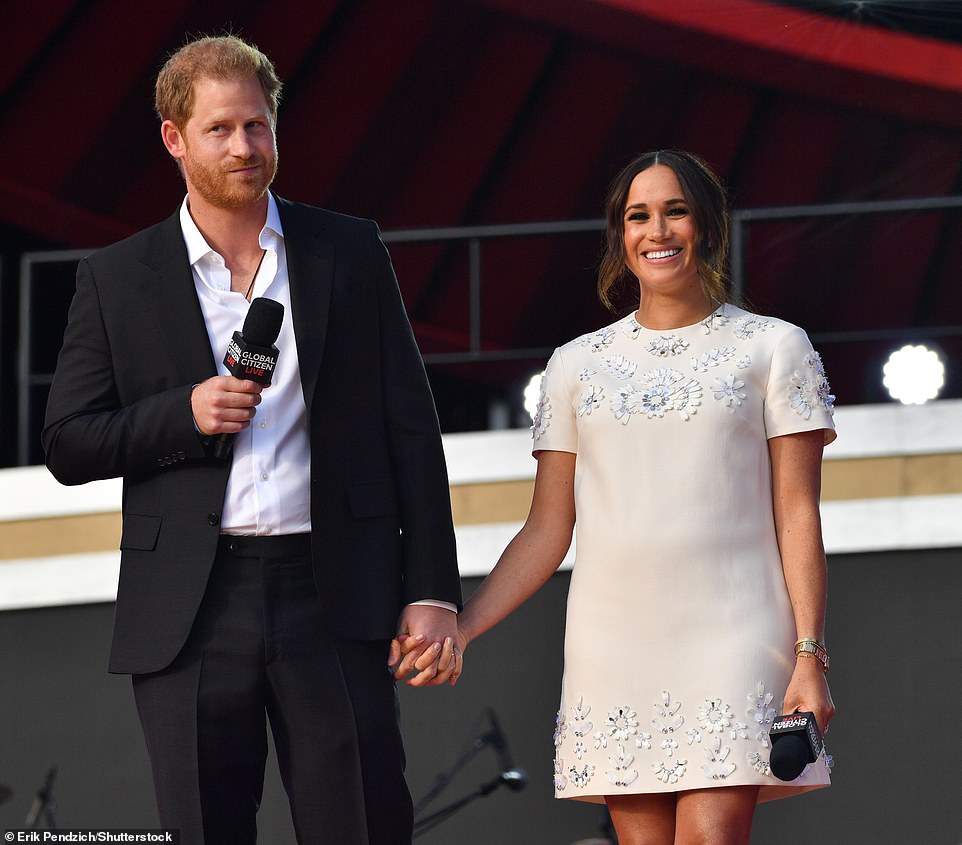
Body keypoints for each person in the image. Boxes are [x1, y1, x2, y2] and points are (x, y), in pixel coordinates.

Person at [42, 35, 461, 845]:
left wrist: (433, 588)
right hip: (191, 611)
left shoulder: (347, 249)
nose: (245, 147)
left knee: (367, 827)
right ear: (174, 137)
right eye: (221, 129)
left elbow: (411, 427)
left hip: (335, 592)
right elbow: (67, 441)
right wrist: (184, 412)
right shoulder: (117, 277)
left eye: (259, 126)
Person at [436, 150, 836, 844]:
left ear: (707, 225)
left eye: (676, 209)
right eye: (638, 215)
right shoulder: (576, 364)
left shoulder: (774, 347)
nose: (658, 229)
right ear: (621, 237)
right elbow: (546, 528)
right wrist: (464, 625)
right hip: (613, 643)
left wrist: (809, 654)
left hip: (735, 631)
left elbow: (797, 511)